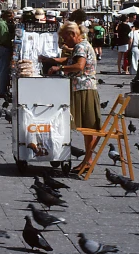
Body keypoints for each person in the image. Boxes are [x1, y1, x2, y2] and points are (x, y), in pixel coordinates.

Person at [44, 21, 100, 171]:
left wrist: (59, 68)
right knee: (86, 128)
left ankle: (88, 161)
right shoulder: (82, 45)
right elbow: (71, 60)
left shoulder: (81, 46)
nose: (64, 42)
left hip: (84, 88)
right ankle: (88, 160)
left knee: (88, 128)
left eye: (65, 38)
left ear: (72, 34)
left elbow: (79, 66)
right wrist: (52, 61)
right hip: (84, 88)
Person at [0, 10, 15, 97]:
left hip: (1, 48)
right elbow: (4, 38)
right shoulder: (2, 24)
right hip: (3, 47)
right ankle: (2, 91)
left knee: (3, 69)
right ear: (8, 16)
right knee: (3, 70)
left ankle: (3, 89)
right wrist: (11, 38)